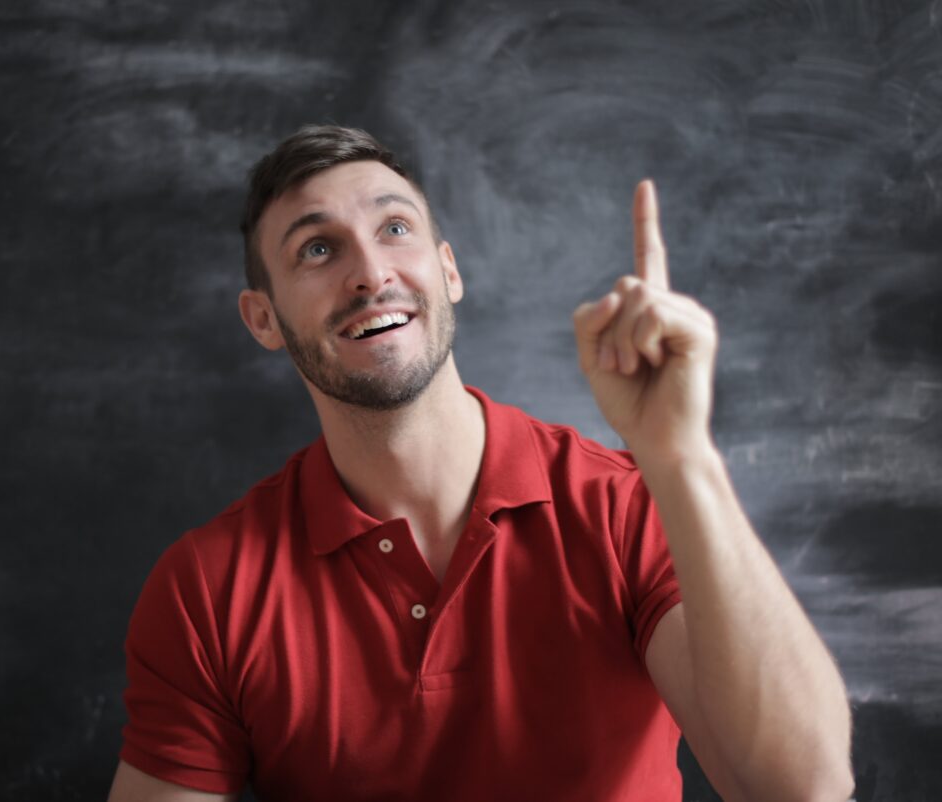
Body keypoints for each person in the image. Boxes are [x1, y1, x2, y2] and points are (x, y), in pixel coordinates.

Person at [107, 125, 854, 801]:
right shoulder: (206, 589)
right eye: (318, 249)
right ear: (263, 319)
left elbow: (801, 788)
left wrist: (682, 456)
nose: (371, 273)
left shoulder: (631, 506)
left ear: (448, 272)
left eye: (394, 228)